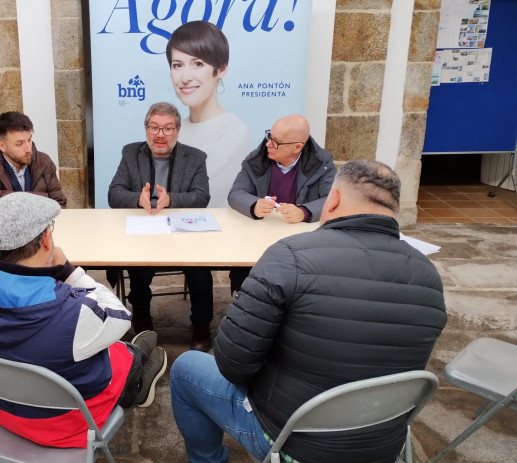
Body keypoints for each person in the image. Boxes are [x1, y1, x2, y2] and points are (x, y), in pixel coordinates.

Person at [170, 160, 448, 463]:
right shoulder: (428, 274)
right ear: (393, 208)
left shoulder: (289, 255)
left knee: (186, 369)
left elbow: (232, 365)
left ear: (335, 199)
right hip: (383, 447)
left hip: (292, 444)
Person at [0, 192, 167, 448]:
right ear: (46, 239)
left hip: (3, 410)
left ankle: (137, 356)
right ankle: (137, 375)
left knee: (87, 340)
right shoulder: (72, 313)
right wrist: (68, 269)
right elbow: (120, 315)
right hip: (65, 425)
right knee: (115, 347)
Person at [108, 102, 214, 351]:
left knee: (201, 272)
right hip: (145, 230)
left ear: (177, 130)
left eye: (167, 128)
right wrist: (137, 198)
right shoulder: (131, 153)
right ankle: (142, 321)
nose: (160, 135)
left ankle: (201, 327)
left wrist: (172, 199)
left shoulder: (195, 157)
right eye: (154, 128)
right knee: (138, 269)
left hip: (182, 233)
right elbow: (114, 194)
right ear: (146, 130)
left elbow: (202, 196)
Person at [227, 114, 336, 293]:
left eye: (276, 141)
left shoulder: (321, 163)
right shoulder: (257, 158)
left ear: (297, 147)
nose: (268, 144)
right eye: (269, 136)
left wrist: (305, 212)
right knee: (244, 275)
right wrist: (254, 205)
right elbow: (236, 193)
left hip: (301, 243)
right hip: (257, 238)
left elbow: (331, 199)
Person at [167, 20, 251, 207]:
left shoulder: (233, 132)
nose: (185, 77)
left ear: (221, 69)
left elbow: (201, 197)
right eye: (177, 65)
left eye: (197, 63)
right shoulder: (175, 129)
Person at [0, 111, 67, 220]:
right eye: (19, 144)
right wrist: (44, 199)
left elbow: (59, 204)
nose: (28, 149)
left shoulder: (44, 161)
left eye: (29, 140)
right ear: (2, 146)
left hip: (39, 229)